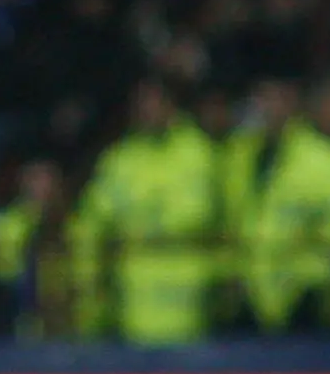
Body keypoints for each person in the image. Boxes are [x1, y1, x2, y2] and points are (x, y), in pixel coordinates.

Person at [71, 79, 223, 345]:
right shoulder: (121, 157)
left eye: (154, 102)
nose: (147, 110)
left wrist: (133, 225)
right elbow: (95, 216)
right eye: (141, 104)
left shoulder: (196, 151)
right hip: (131, 299)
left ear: (171, 106)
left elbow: (195, 215)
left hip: (186, 297)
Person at [220, 77, 330, 334]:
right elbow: (231, 222)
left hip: (309, 299)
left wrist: (320, 286)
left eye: (276, 98)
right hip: (250, 299)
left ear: (293, 102)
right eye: (262, 98)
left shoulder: (326, 159)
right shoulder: (238, 154)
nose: (268, 107)